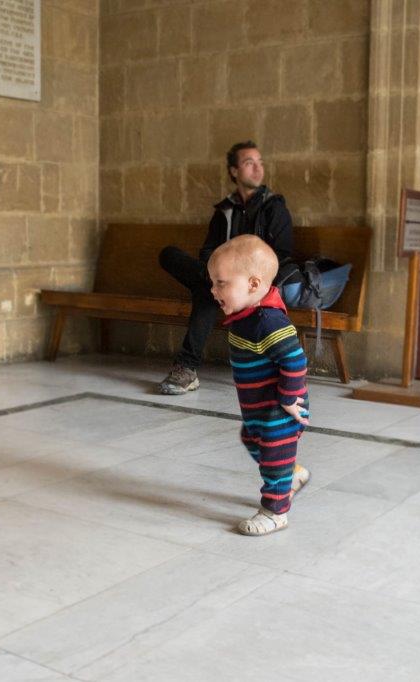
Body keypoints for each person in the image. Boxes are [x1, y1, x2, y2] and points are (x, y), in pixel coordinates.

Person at [157, 141, 293, 395]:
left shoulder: (274, 208)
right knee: (170, 255)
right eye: (249, 163)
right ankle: (213, 283)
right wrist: (217, 277)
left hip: (252, 284)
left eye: (259, 162)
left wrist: (233, 278)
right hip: (218, 278)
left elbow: (280, 256)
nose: (257, 169)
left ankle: (187, 367)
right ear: (233, 171)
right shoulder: (225, 211)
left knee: (208, 292)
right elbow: (208, 250)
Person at [207, 234, 310, 536]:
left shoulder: (268, 321)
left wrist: (290, 399)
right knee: (253, 439)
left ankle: (275, 511)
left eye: (221, 283)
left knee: (274, 456)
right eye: (213, 283)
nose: (214, 291)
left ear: (253, 284)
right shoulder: (246, 316)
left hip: (281, 407)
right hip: (260, 407)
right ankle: (291, 474)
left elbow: (295, 361)